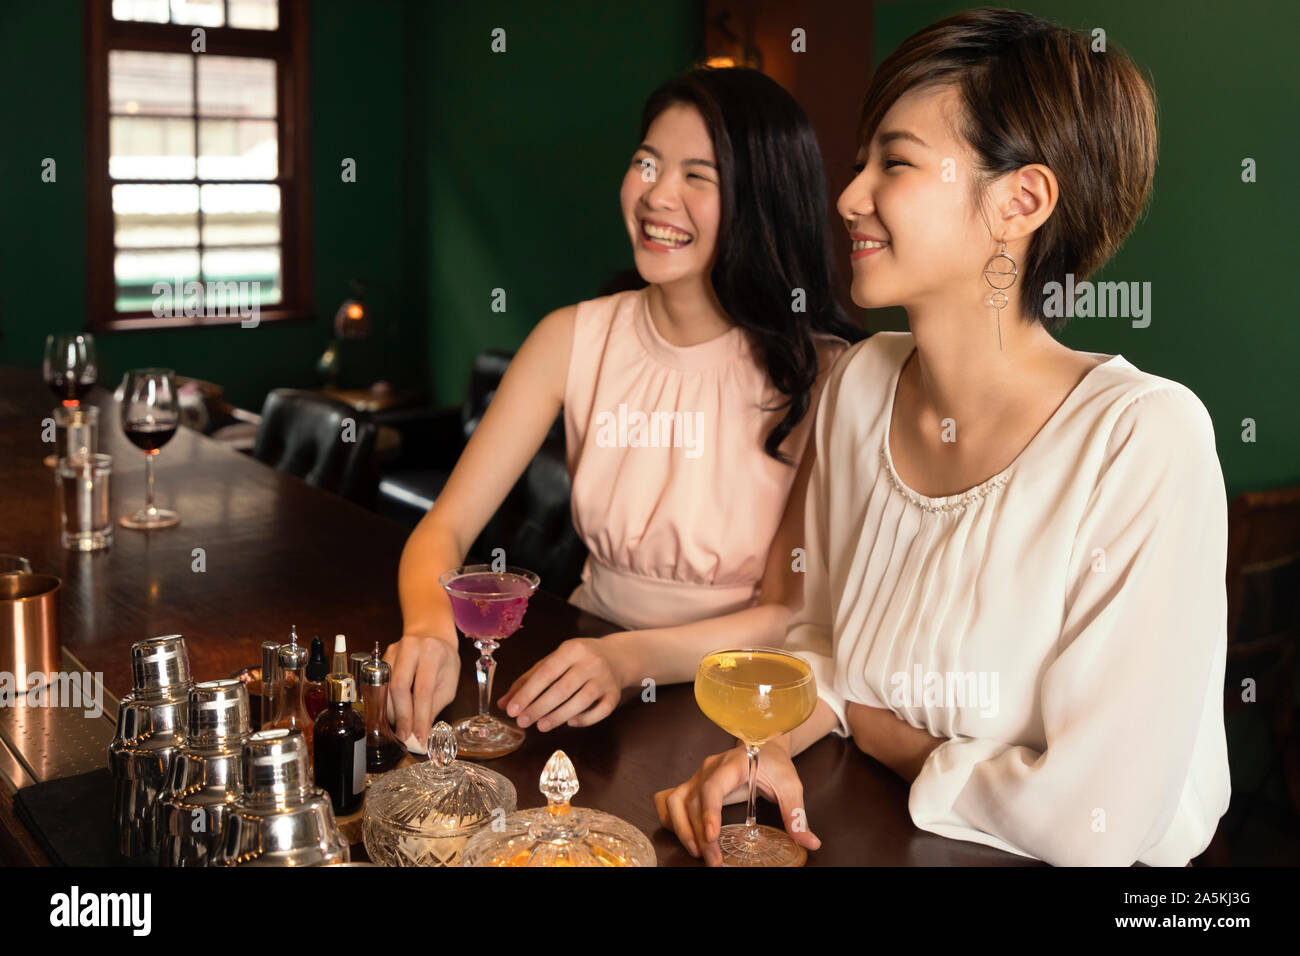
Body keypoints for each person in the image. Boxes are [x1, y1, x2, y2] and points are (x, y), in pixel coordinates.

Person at [656, 8, 1230, 867]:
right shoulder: (858, 385)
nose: (849, 197)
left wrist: (893, 740)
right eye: (860, 164)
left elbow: (1092, 818)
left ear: (1020, 201)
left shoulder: (1143, 439)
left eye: (894, 163)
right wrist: (773, 743)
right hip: (865, 832)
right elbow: (825, 642)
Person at [387, 68, 859, 749]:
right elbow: (445, 527)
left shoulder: (824, 374)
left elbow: (784, 614)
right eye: (647, 163)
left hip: (734, 705)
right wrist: (429, 631)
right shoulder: (571, 337)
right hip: (581, 674)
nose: (657, 195)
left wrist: (631, 657)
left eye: (699, 176)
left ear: (764, 201)